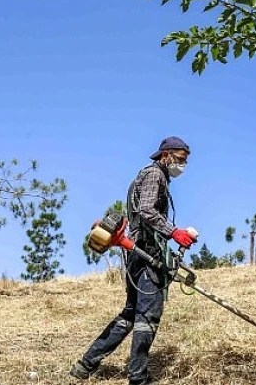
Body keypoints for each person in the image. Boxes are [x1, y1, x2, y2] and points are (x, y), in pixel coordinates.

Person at [70, 136, 198, 385]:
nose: (182, 165)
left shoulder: (153, 175)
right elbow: (147, 211)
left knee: (130, 314)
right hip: (145, 254)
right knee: (147, 316)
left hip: (138, 252)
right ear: (165, 155)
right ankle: (138, 378)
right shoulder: (154, 175)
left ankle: (85, 365)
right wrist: (175, 232)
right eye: (180, 160)